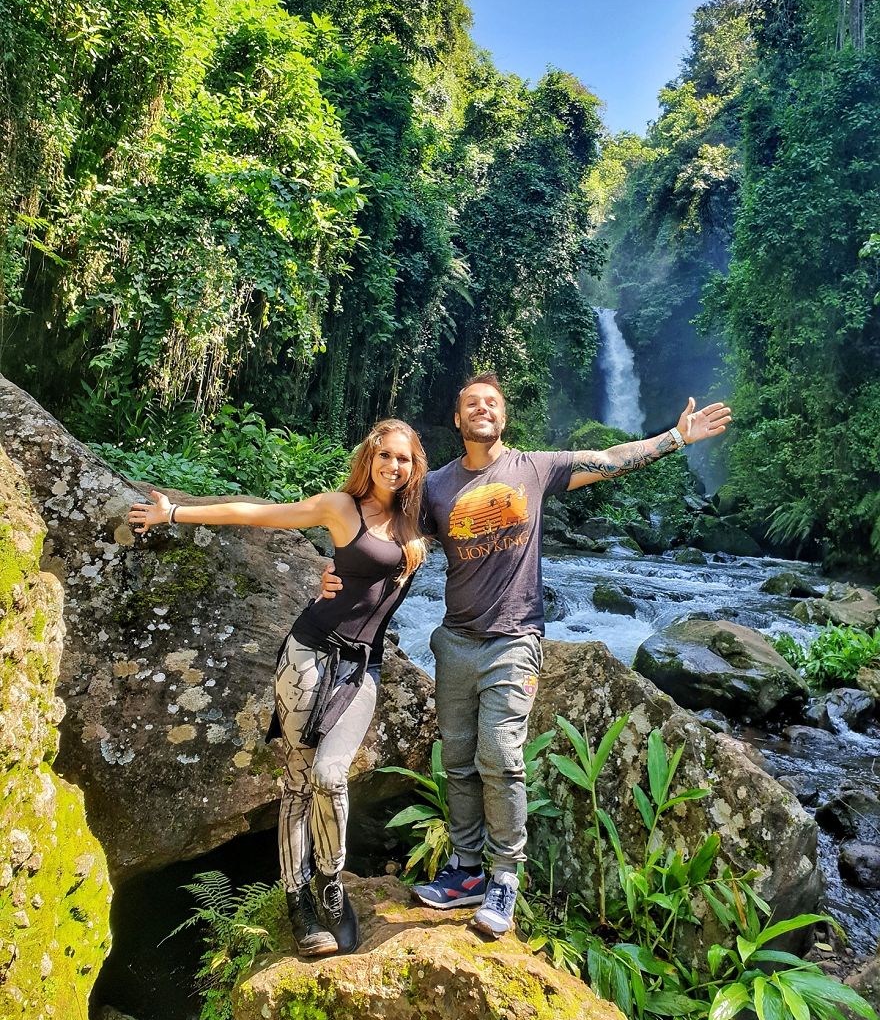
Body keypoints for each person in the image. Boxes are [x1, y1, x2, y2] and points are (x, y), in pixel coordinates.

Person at [321, 373, 731, 939]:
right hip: (456, 641)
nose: (482, 409)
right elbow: (388, 538)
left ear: (503, 417)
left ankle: (505, 877)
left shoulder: (534, 468)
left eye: (492, 402)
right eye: (471, 404)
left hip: (515, 640)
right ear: (459, 419)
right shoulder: (435, 487)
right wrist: (336, 569)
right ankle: (465, 871)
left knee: (500, 755)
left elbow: (609, 457)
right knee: (459, 759)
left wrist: (674, 438)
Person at [127, 419, 428, 958]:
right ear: (370, 458)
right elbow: (258, 514)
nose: (393, 466)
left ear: (414, 464)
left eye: (403, 459)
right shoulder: (342, 507)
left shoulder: (417, 517)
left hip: (362, 668)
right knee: (295, 780)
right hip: (308, 653)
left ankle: (332, 887)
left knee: (330, 775)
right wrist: (173, 511)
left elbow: (489, 497)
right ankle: (298, 900)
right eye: (385, 456)